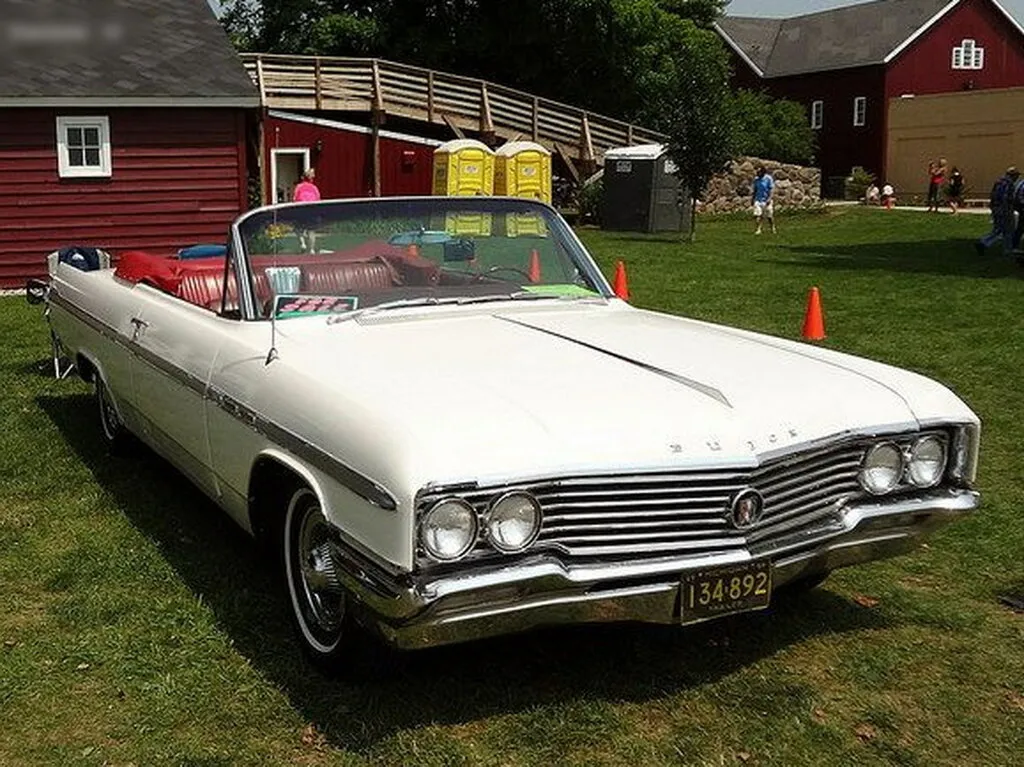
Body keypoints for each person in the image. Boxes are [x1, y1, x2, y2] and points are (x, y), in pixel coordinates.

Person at [976, 167, 1019, 256]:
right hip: (1005, 209)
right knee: (1008, 230)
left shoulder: (998, 182)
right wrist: (1009, 208)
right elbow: (1006, 198)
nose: (1017, 178)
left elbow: (993, 195)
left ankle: (984, 242)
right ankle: (1007, 249)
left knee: (998, 229)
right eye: (1016, 175)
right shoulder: (1009, 184)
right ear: (1012, 175)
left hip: (995, 208)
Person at [751, 165, 776, 234]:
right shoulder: (756, 180)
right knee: (757, 215)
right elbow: (755, 190)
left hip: (767, 200)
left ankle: (772, 227)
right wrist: (752, 199)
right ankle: (758, 229)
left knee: (769, 216)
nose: (757, 173)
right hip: (758, 199)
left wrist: (769, 198)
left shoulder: (768, 178)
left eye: (759, 171)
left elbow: (771, 189)